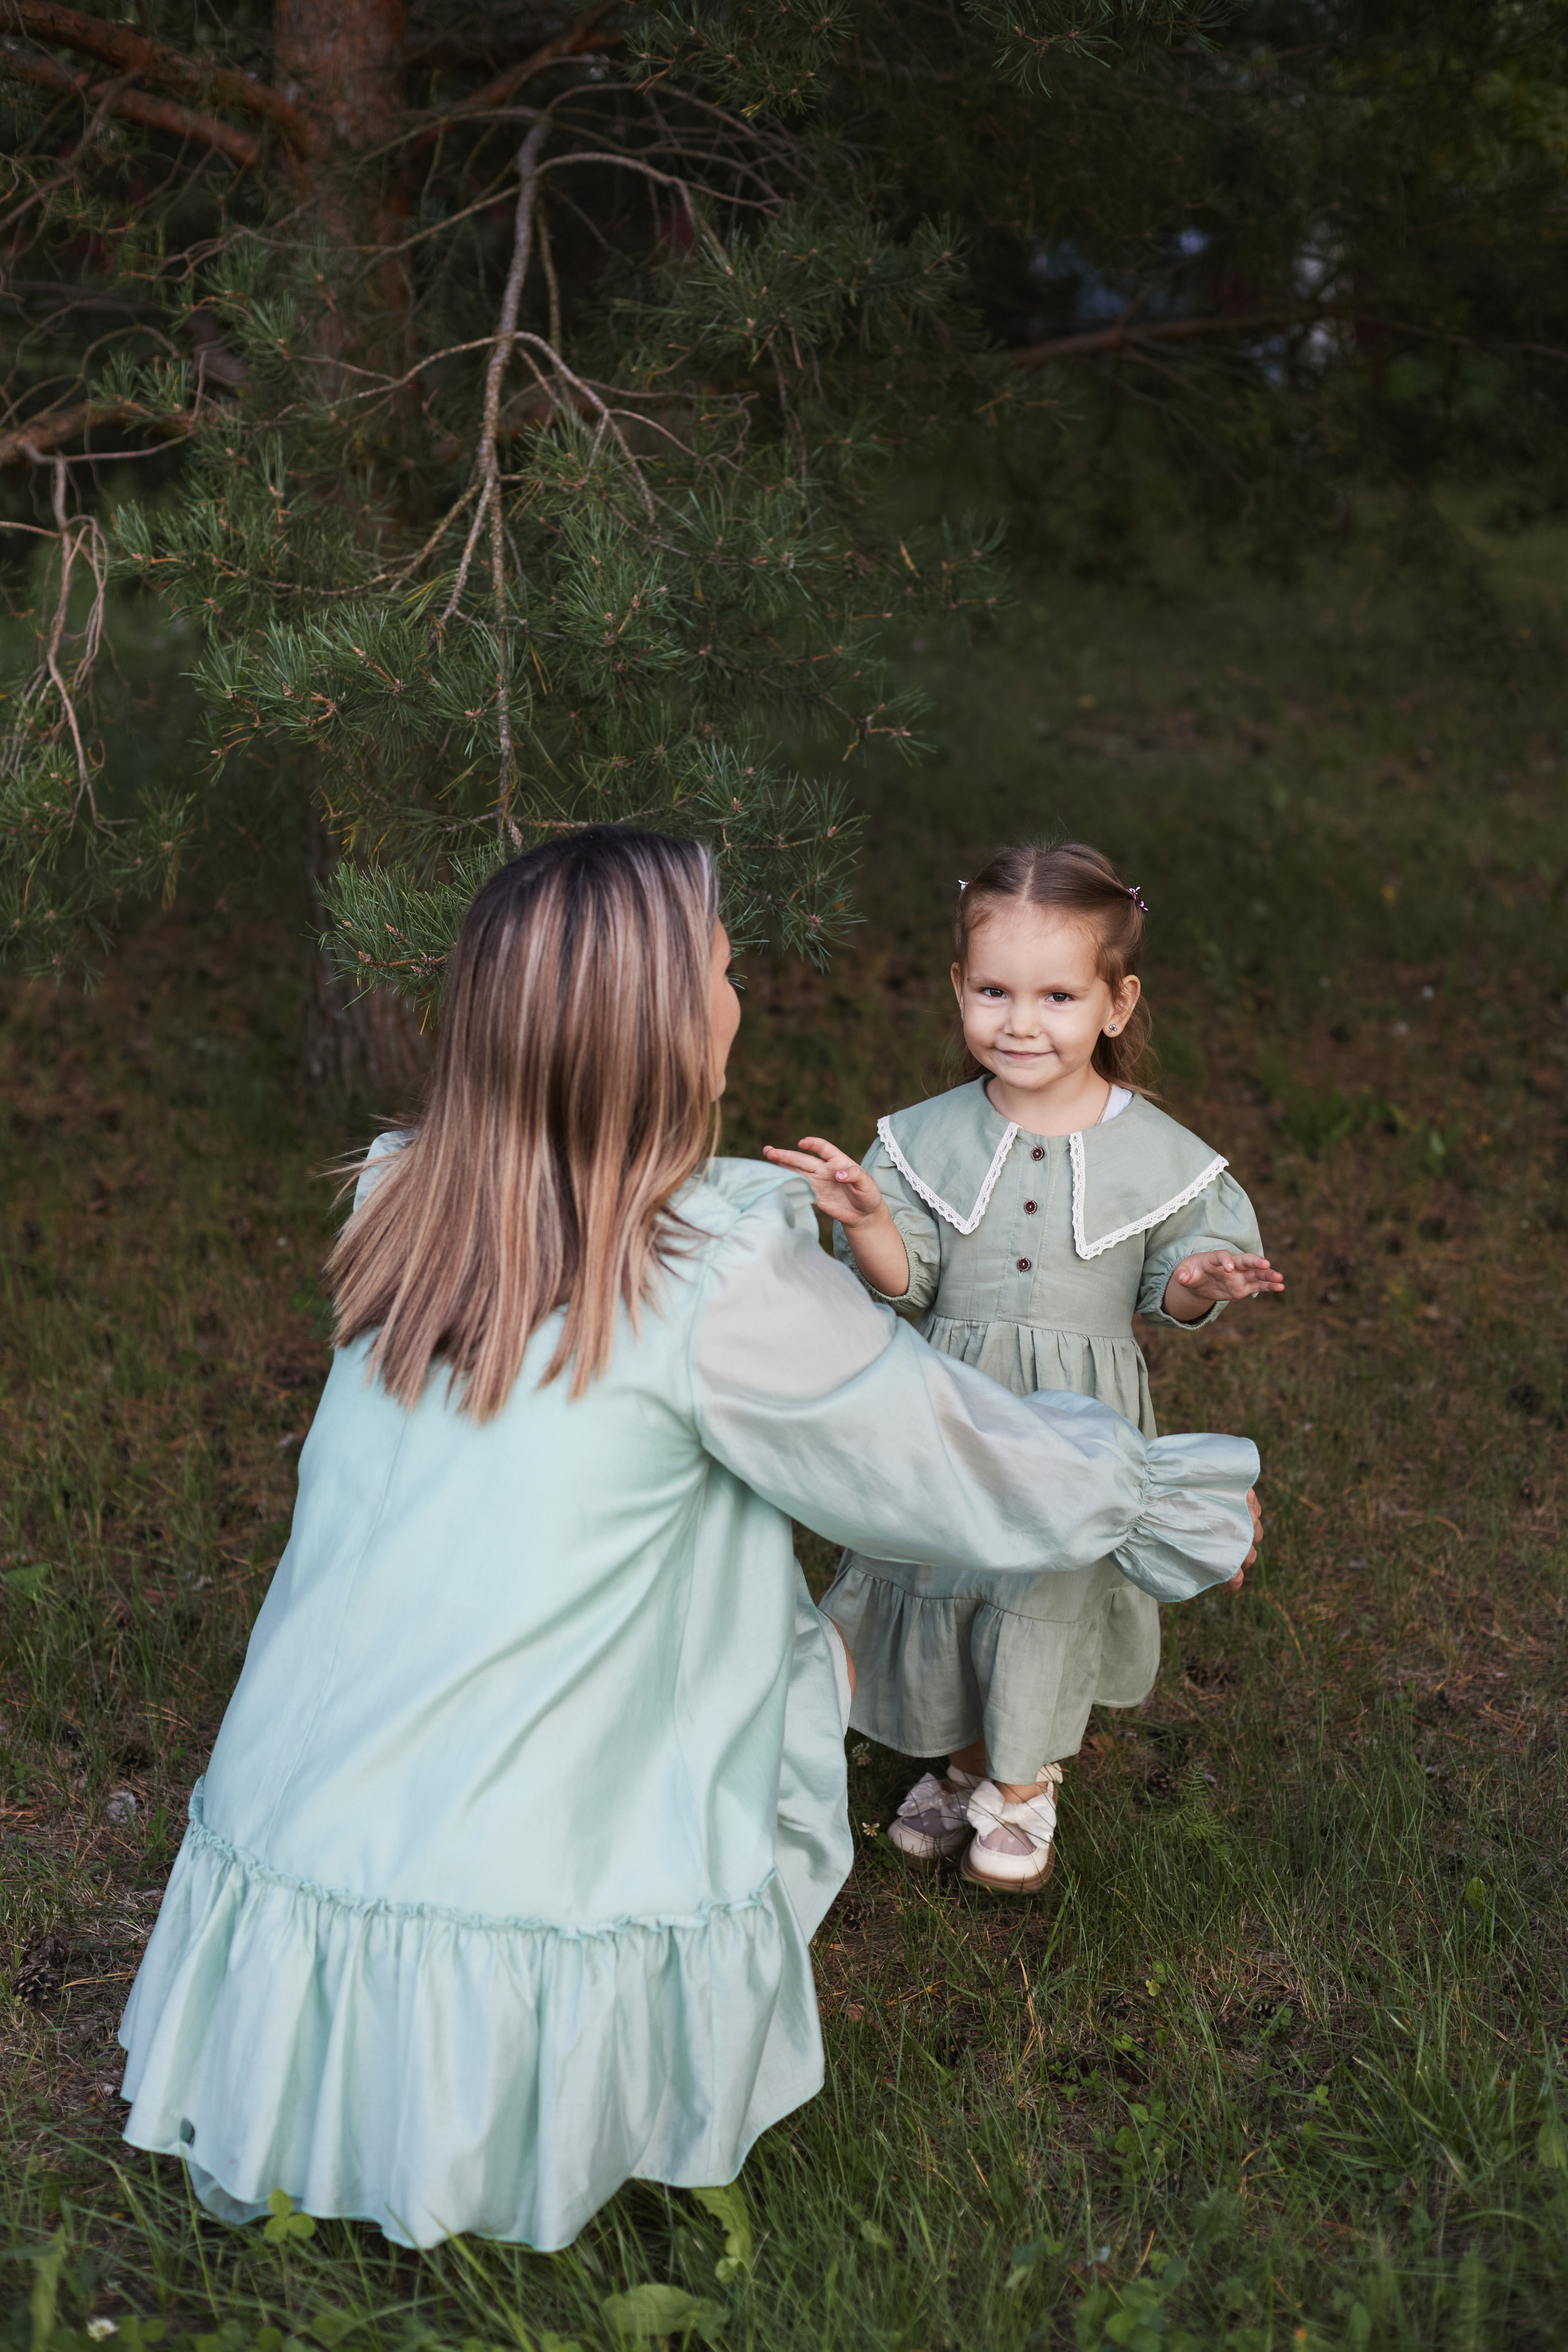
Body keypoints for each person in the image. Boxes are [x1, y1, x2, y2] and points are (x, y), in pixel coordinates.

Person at [118, 827, 1261, 2252]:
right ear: (664, 1029)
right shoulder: (716, 1284)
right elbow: (929, 1450)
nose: (739, 998)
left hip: (306, 1797)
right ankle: (501, 2136)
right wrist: (1150, 1496)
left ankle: (325, 2090)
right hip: (521, 1835)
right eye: (721, 973)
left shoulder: (409, 1196)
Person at [766, 841, 1283, 1896]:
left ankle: (1021, 1779)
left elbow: (1169, 1288)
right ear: (959, 987)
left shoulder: (1162, 1156)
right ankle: (963, 1761)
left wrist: (1200, 1280)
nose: (1020, 1023)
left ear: (1115, 1003)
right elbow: (904, 1283)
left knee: (1040, 1587)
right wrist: (867, 1221)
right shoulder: (926, 1141)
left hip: (1073, 1425)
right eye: (995, 992)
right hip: (952, 1409)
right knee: (951, 1575)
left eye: (1057, 996)